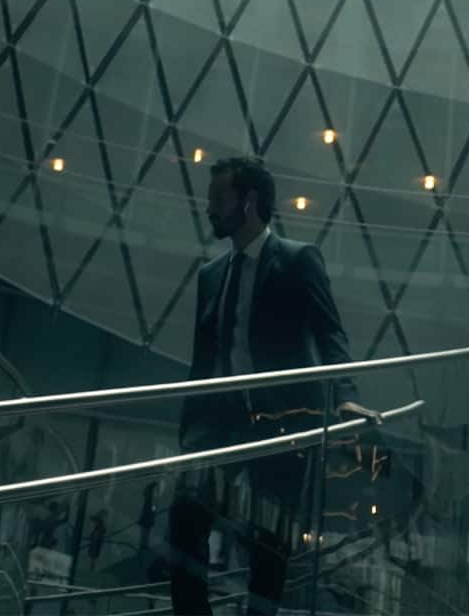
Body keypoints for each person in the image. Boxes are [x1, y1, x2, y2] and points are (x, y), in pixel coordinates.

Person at [169, 157, 362, 616]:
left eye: (220, 198)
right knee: (185, 517)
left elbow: (329, 331)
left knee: (269, 539)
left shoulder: (297, 260)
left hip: (283, 420)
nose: (210, 208)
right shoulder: (211, 274)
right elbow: (204, 358)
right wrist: (189, 429)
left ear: (249, 201)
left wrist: (347, 395)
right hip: (219, 421)